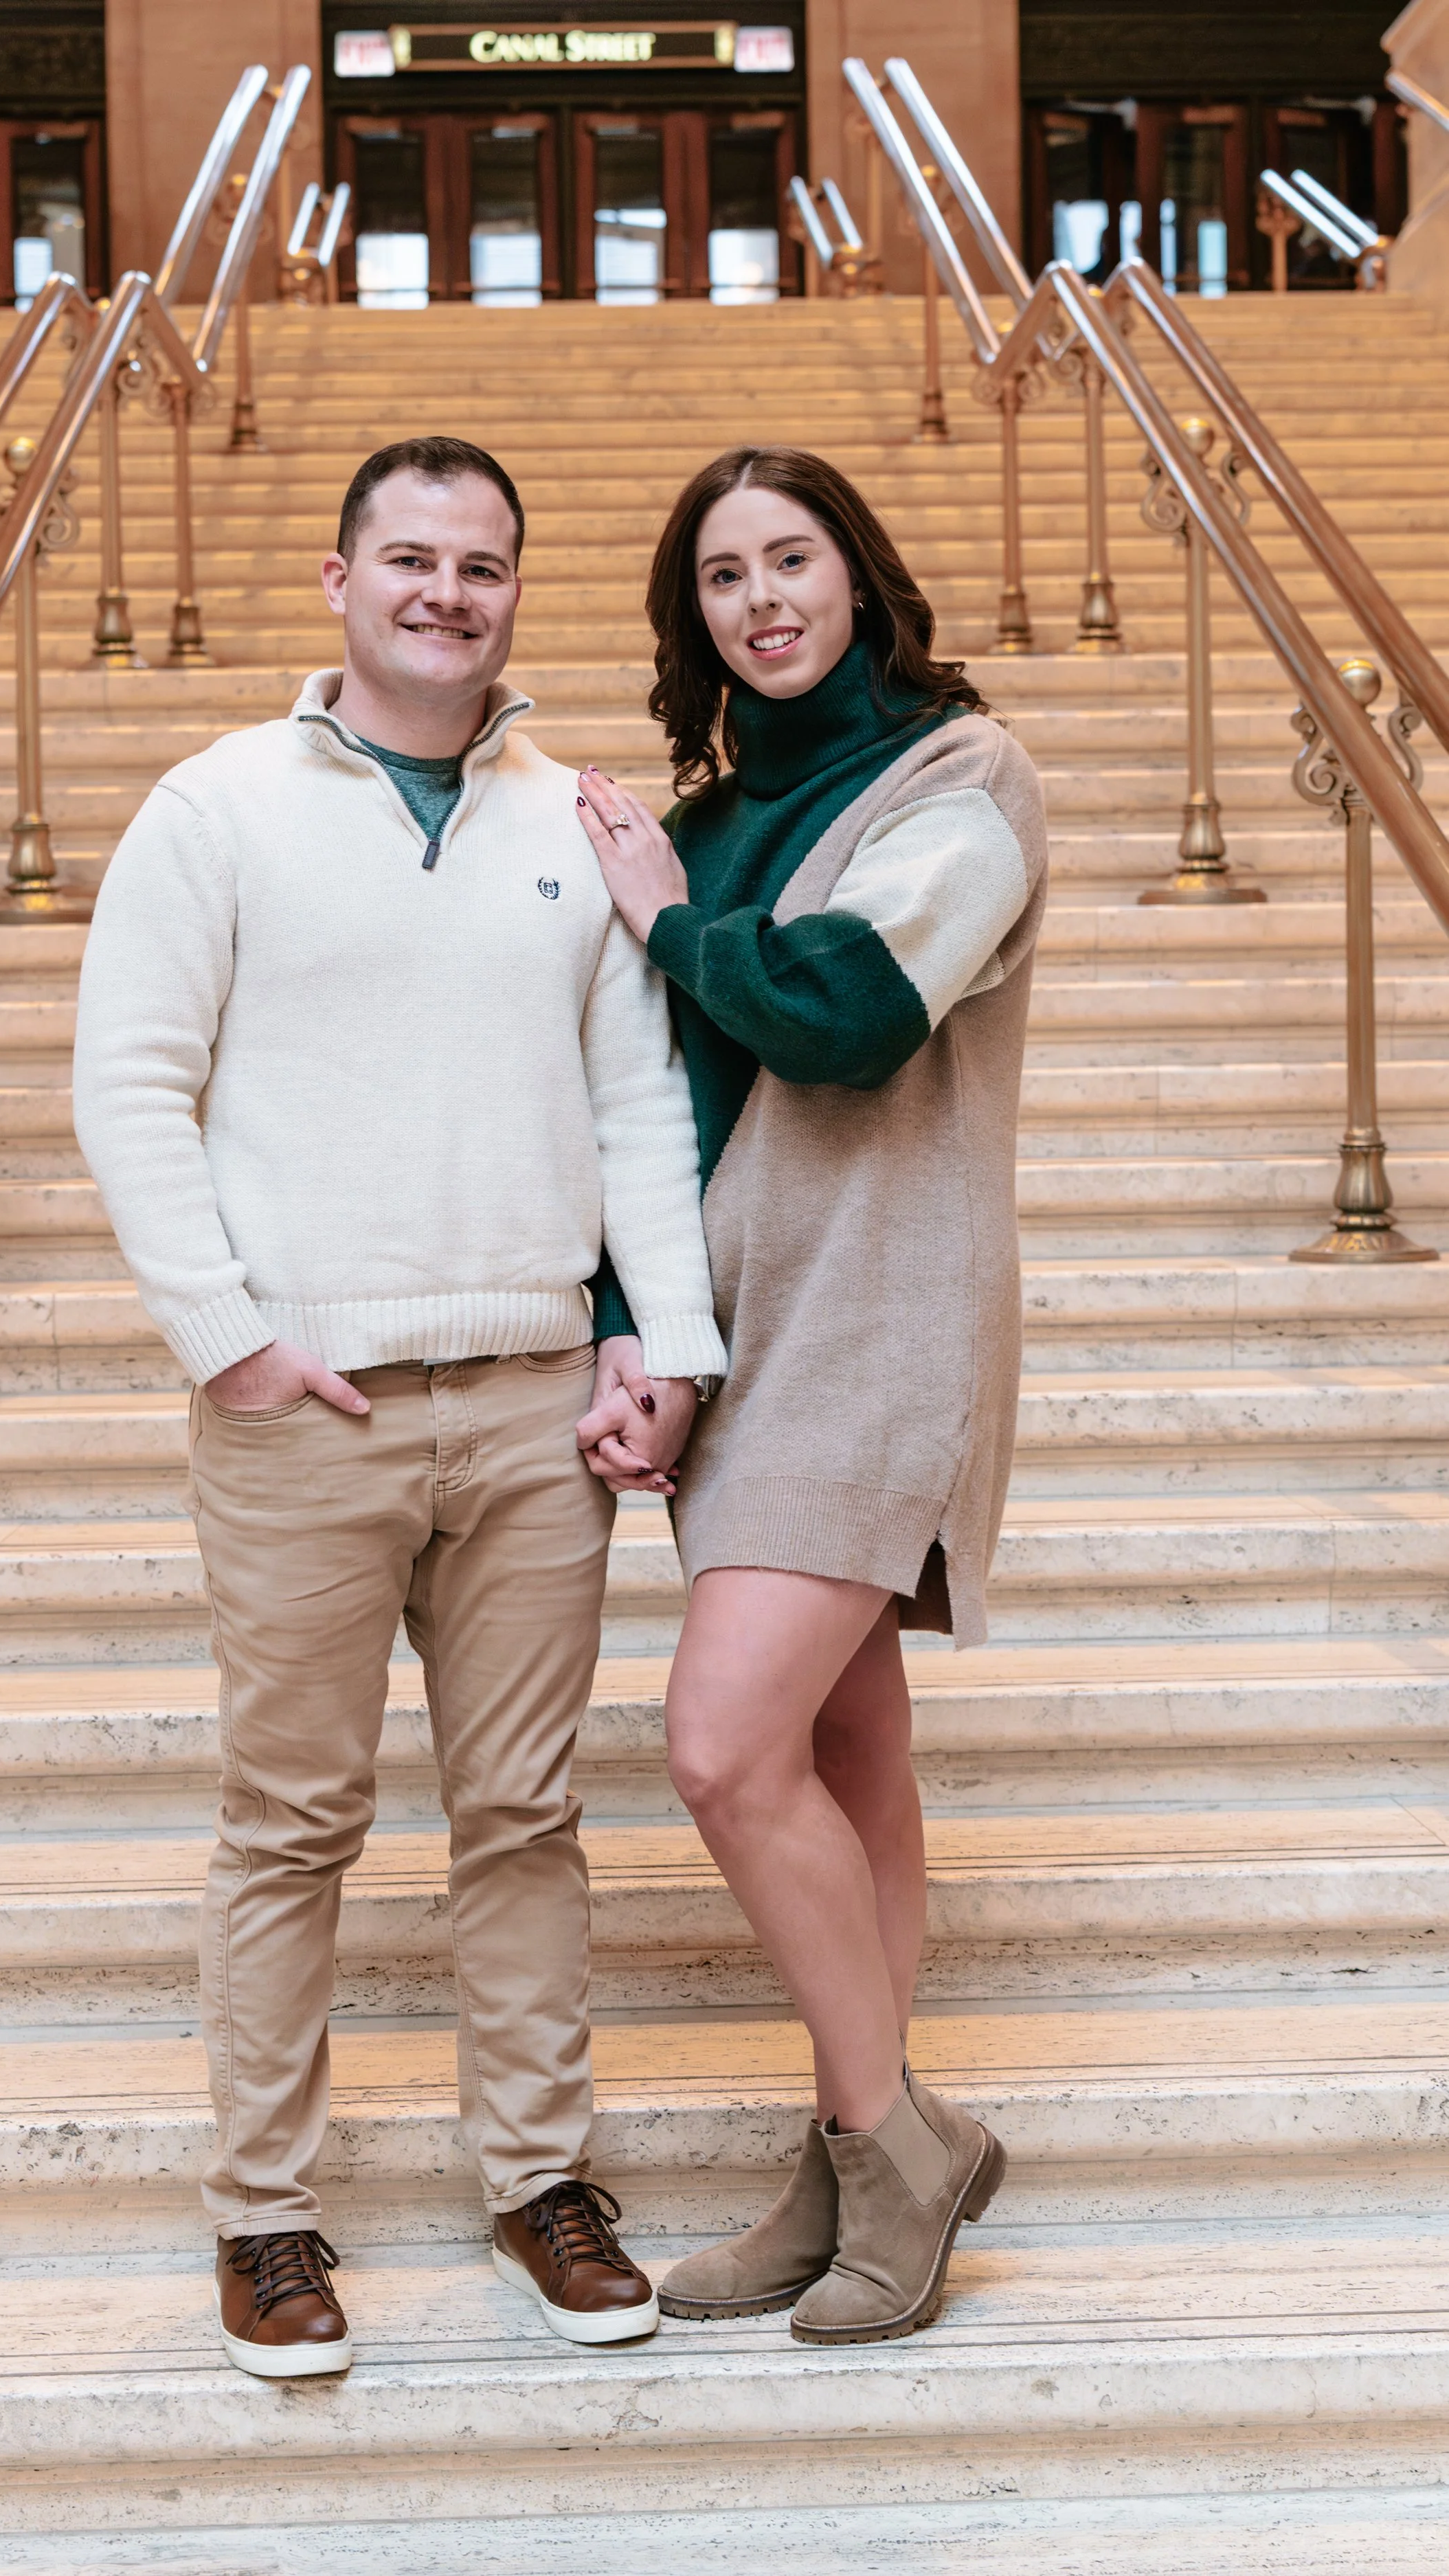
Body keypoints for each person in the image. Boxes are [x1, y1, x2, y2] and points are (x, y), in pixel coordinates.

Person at [74, 436, 725, 2378]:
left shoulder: (570, 818)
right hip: (312, 1409)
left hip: (535, 1405)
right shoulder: (216, 808)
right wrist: (229, 1336)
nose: (449, 592)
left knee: (523, 1813)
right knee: (289, 1821)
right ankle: (263, 2215)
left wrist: (667, 1343)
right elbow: (129, 1084)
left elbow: (635, 1103)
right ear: (343, 581)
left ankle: (541, 2180)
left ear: (518, 588)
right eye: (414, 560)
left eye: (485, 564)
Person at [573, 444, 1048, 2345]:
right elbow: (660, 1111)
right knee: (847, 1763)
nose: (761, 598)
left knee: (718, 1746)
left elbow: (846, 1012)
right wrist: (638, 1331)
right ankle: (856, 2149)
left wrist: (669, 920)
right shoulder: (700, 819)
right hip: (743, 1333)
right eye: (721, 576)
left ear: (858, 576)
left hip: (881, 1321)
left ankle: (890, 2141)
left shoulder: (962, 776)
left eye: (793, 558)